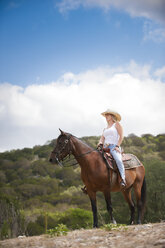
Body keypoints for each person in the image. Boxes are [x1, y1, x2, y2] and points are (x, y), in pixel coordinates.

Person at [98, 109, 126, 188]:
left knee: (118, 160)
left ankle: (123, 179)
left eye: (108, 115)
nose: (106, 117)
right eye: (105, 115)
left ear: (112, 116)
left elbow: (121, 136)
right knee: (94, 159)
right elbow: (102, 138)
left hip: (114, 147)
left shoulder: (116, 124)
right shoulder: (105, 128)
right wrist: (100, 143)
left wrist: (117, 146)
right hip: (105, 148)